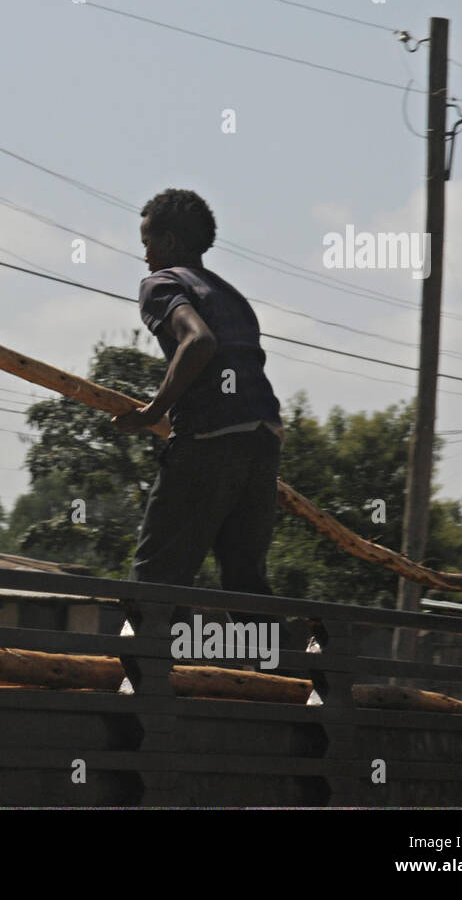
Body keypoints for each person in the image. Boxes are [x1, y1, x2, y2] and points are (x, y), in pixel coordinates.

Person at [112, 188, 291, 647]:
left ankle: (151, 687)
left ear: (170, 241)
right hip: (263, 438)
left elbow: (200, 342)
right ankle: (290, 683)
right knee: (244, 578)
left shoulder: (163, 284)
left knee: (156, 575)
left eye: (149, 240)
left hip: (211, 438)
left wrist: (154, 410)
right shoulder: (231, 296)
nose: (145, 252)